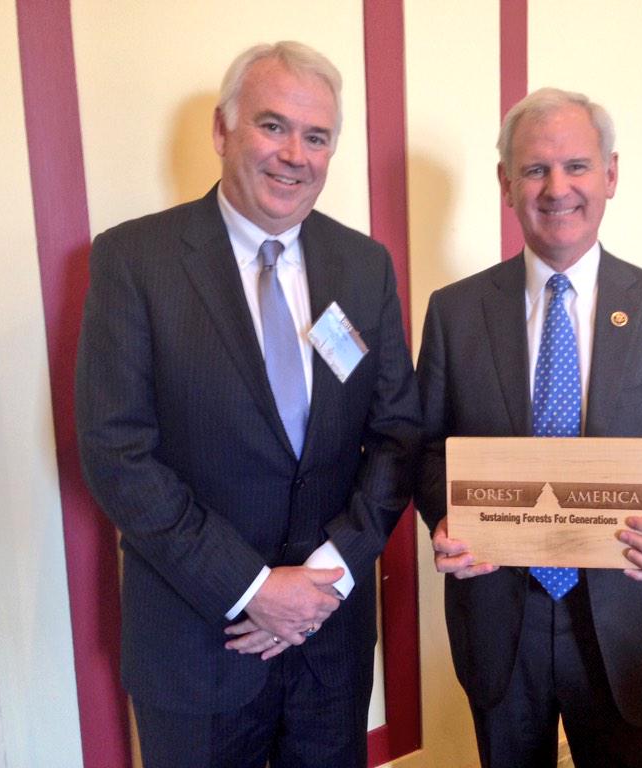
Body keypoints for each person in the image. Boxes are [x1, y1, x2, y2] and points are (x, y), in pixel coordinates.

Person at [75, 41, 421, 768]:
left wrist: (327, 576)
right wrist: (251, 587)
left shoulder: (364, 265)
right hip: (197, 640)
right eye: (272, 126)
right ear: (221, 130)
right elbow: (116, 453)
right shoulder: (134, 261)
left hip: (329, 639)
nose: (294, 155)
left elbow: (397, 436)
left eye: (316, 137)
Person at [415, 87, 642, 767]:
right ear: (506, 184)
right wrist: (450, 514)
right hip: (501, 614)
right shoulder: (454, 312)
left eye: (577, 166)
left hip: (630, 613)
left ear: (610, 175)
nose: (556, 188)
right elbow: (425, 449)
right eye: (535, 169)